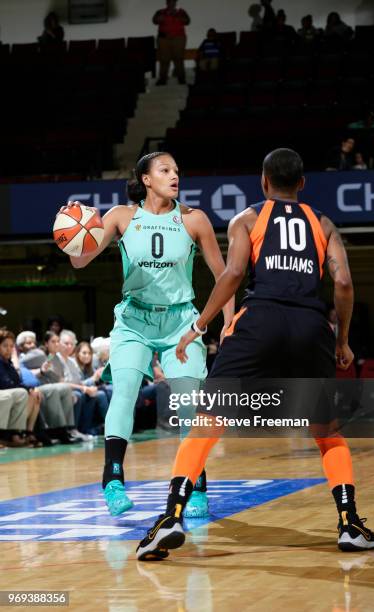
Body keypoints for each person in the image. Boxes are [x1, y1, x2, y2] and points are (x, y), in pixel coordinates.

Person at [136, 148, 374, 560]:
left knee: (206, 423)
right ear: (301, 184)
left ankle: (171, 517)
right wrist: (341, 341)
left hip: (259, 321)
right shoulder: (324, 224)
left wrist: (199, 326)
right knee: (327, 431)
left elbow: (232, 274)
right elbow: (343, 285)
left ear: (263, 183)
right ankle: (349, 522)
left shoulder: (247, 218)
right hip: (310, 325)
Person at [58, 151, 234, 518]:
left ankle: (196, 484)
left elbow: (225, 279)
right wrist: (73, 232)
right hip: (134, 320)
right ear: (146, 179)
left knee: (189, 407)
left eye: (177, 171)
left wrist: (229, 326)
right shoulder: (121, 217)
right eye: (165, 170)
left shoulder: (194, 219)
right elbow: (80, 260)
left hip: (180, 324)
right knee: (124, 391)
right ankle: (112, 479)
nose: (175, 176)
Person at [0, 329, 42, 447]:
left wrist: (31, 389)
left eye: (11, 346)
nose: (8, 349)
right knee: (23, 392)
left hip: (9, 393)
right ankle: (12, 433)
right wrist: (27, 389)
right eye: (5, 346)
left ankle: (27, 432)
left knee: (35, 394)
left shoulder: (8, 363)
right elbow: (5, 383)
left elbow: (17, 381)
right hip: (4, 392)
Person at [153, 0, 190, 85]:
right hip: (163, 39)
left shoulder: (181, 11)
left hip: (178, 38)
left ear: (175, 3)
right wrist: (164, 16)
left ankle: (181, 78)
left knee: (179, 58)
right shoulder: (160, 11)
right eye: (170, 2)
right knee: (164, 59)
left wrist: (177, 16)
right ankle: (163, 79)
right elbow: (155, 21)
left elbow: (187, 21)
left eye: (173, 2)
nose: (172, 3)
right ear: (167, 3)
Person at [75, 341, 110, 429]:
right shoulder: (75, 366)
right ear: (77, 353)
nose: (87, 355)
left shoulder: (89, 367)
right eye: (84, 353)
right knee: (101, 394)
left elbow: (96, 381)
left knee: (107, 390)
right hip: (79, 391)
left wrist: (100, 377)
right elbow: (78, 384)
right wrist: (94, 378)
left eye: (89, 353)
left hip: (90, 391)